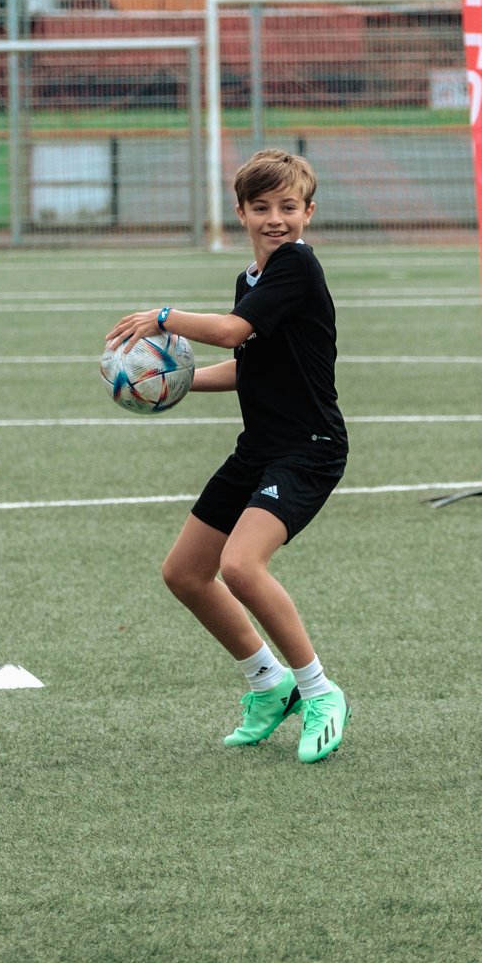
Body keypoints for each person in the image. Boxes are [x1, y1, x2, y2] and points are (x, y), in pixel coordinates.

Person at [104, 149, 352, 764]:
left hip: (309, 449)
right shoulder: (252, 280)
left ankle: (321, 692)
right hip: (260, 449)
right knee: (185, 574)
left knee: (241, 566)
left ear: (308, 213)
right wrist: (167, 381)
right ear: (240, 212)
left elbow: (234, 331)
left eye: (288, 207)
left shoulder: (297, 265)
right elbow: (249, 365)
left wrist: (163, 319)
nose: (276, 219)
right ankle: (270, 685)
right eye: (261, 207)